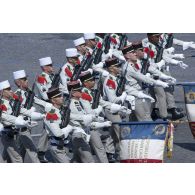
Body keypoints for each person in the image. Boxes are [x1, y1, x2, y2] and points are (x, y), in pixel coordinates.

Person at [13, 70, 44, 163]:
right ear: (19, 82)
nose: (27, 80)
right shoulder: (17, 95)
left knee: (20, 151)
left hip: (28, 124)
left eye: (26, 78)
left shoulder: (28, 92)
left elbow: (36, 100)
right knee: (32, 150)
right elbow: (17, 111)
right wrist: (29, 112)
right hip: (22, 127)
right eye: (24, 79)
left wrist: (48, 106)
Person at [44, 87, 74, 163]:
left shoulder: (62, 109)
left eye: (61, 95)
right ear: (53, 100)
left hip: (66, 144)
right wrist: (70, 127)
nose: (62, 98)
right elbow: (58, 134)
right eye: (58, 96)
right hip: (57, 147)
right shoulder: (51, 114)